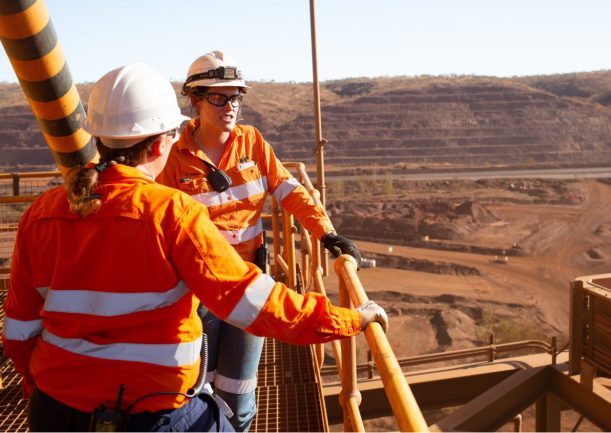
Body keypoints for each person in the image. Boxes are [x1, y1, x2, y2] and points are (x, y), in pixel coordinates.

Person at [2, 63, 387, 432]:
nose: (230, 105)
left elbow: (18, 331)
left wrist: (43, 390)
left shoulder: (41, 213)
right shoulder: (171, 212)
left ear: (99, 137)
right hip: (152, 412)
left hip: (55, 410)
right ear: (162, 144)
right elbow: (256, 304)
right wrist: (348, 320)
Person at [156, 50, 361, 432]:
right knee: (198, 388)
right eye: (219, 98)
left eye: (236, 97)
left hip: (249, 285)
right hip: (197, 290)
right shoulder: (173, 157)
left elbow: (289, 189)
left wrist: (325, 232)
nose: (230, 106)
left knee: (239, 394)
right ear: (195, 100)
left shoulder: (251, 142)